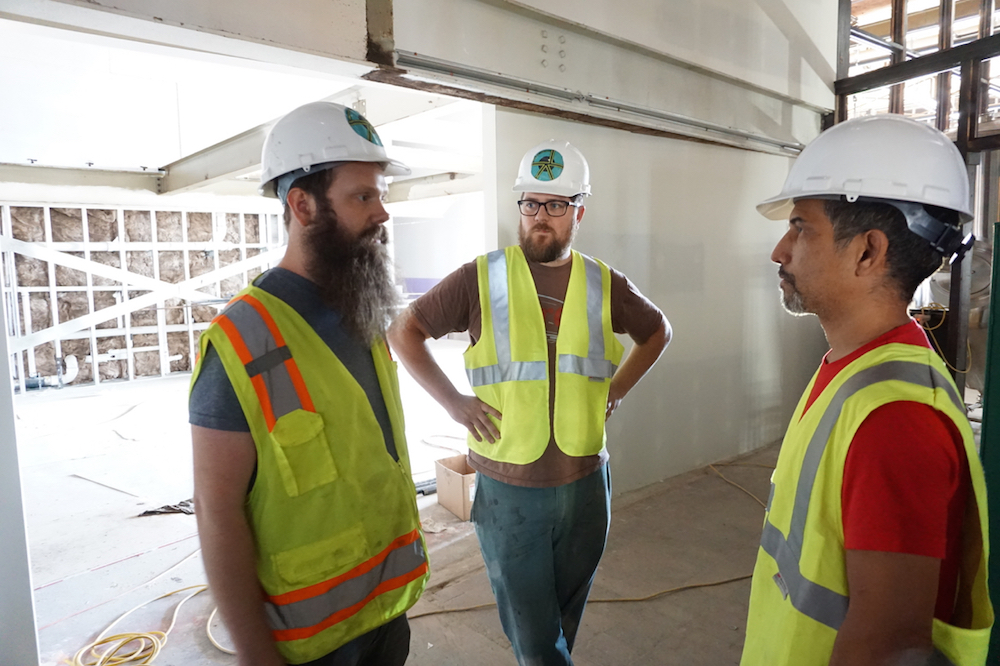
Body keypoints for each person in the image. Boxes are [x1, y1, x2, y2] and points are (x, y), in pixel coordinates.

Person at [387, 139, 671, 665]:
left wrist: (616, 390)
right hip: (509, 487)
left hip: (588, 482)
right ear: (520, 208)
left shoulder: (604, 282)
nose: (542, 218)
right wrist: (454, 404)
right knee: (535, 632)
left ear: (578, 212)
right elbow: (404, 332)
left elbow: (658, 332)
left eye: (557, 206)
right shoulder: (482, 276)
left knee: (564, 615)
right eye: (531, 204)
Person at [741, 114, 992, 666]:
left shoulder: (896, 420)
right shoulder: (853, 367)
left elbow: (889, 648)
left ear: (868, 252)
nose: (779, 250)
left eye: (801, 226)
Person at [189, 101, 428, 666]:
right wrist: (255, 656)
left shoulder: (362, 308)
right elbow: (215, 508)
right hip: (308, 643)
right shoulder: (243, 338)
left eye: (381, 195)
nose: (382, 213)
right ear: (303, 204)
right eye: (362, 196)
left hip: (387, 611)